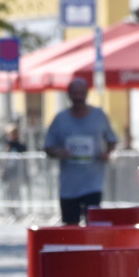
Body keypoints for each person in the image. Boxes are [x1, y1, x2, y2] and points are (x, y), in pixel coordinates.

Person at [43, 77, 117, 224]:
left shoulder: (99, 116)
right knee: (71, 226)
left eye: (81, 93)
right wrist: (59, 152)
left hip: (93, 182)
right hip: (69, 186)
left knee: (93, 223)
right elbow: (48, 146)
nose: (78, 97)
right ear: (69, 95)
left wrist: (107, 152)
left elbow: (112, 139)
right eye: (75, 93)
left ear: (86, 94)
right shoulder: (60, 119)